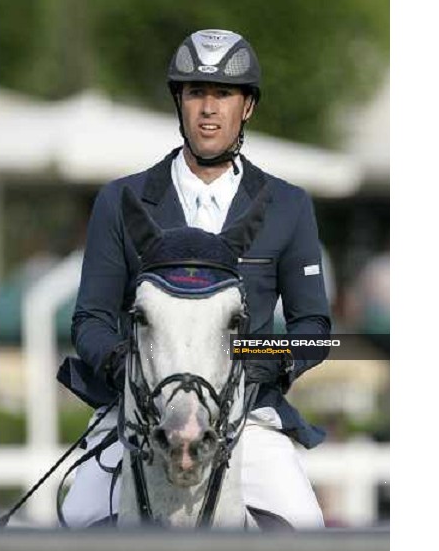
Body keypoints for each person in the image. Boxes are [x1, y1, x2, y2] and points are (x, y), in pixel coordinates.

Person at [58, 29, 331, 528]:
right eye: (196, 93)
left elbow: (316, 327)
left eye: (223, 94)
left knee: (305, 523)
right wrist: (127, 365)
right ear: (179, 103)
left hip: (247, 417)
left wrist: (253, 364)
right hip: (140, 412)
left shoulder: (289, 206)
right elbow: (91, 318)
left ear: (246, 106)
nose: (209, 108)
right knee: (78, 519)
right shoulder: (122, 202)